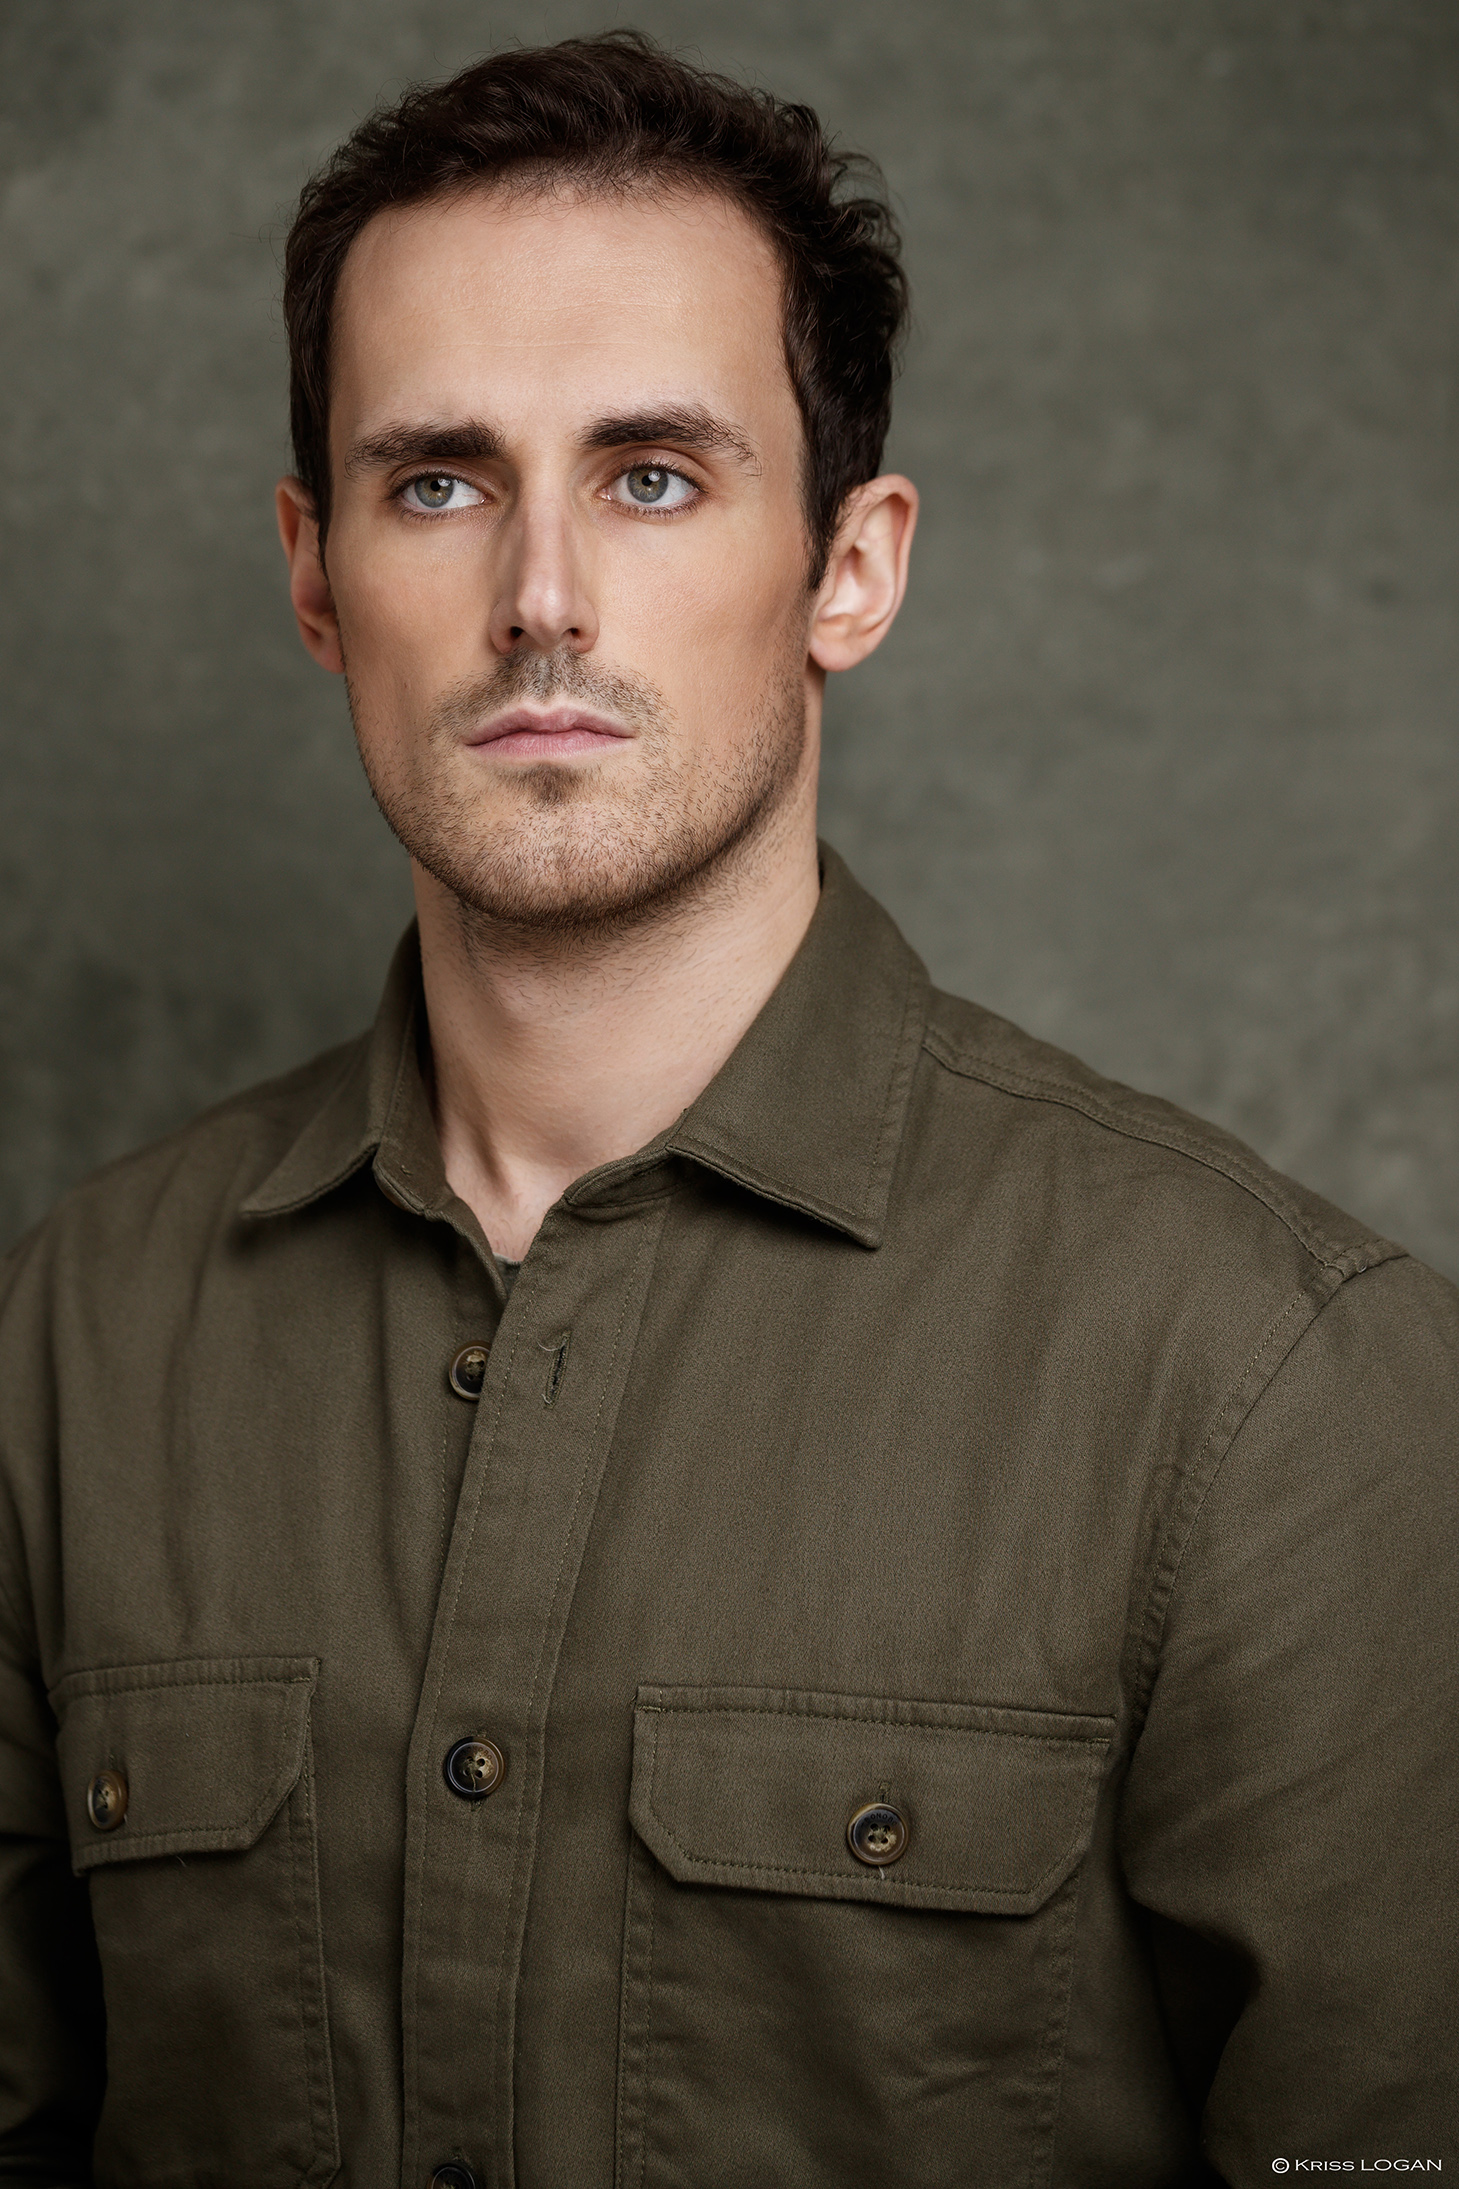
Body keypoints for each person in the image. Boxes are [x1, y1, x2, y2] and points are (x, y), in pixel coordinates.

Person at [0, 30, 1454, 2189]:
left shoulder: (1268, 1381)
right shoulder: (72, 1339)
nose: (543, 597)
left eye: (654, 476)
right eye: (439, 482)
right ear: (315, 575)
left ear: (851, 566)